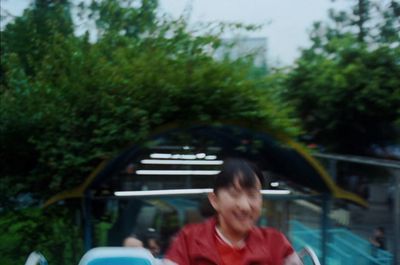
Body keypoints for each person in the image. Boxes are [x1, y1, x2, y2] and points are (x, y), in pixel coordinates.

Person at [163, 158, 302, 265]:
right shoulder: (189, 239)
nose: (245, 206)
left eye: (253, 195)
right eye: (234, 194)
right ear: (215, 200)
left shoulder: (276, 243)